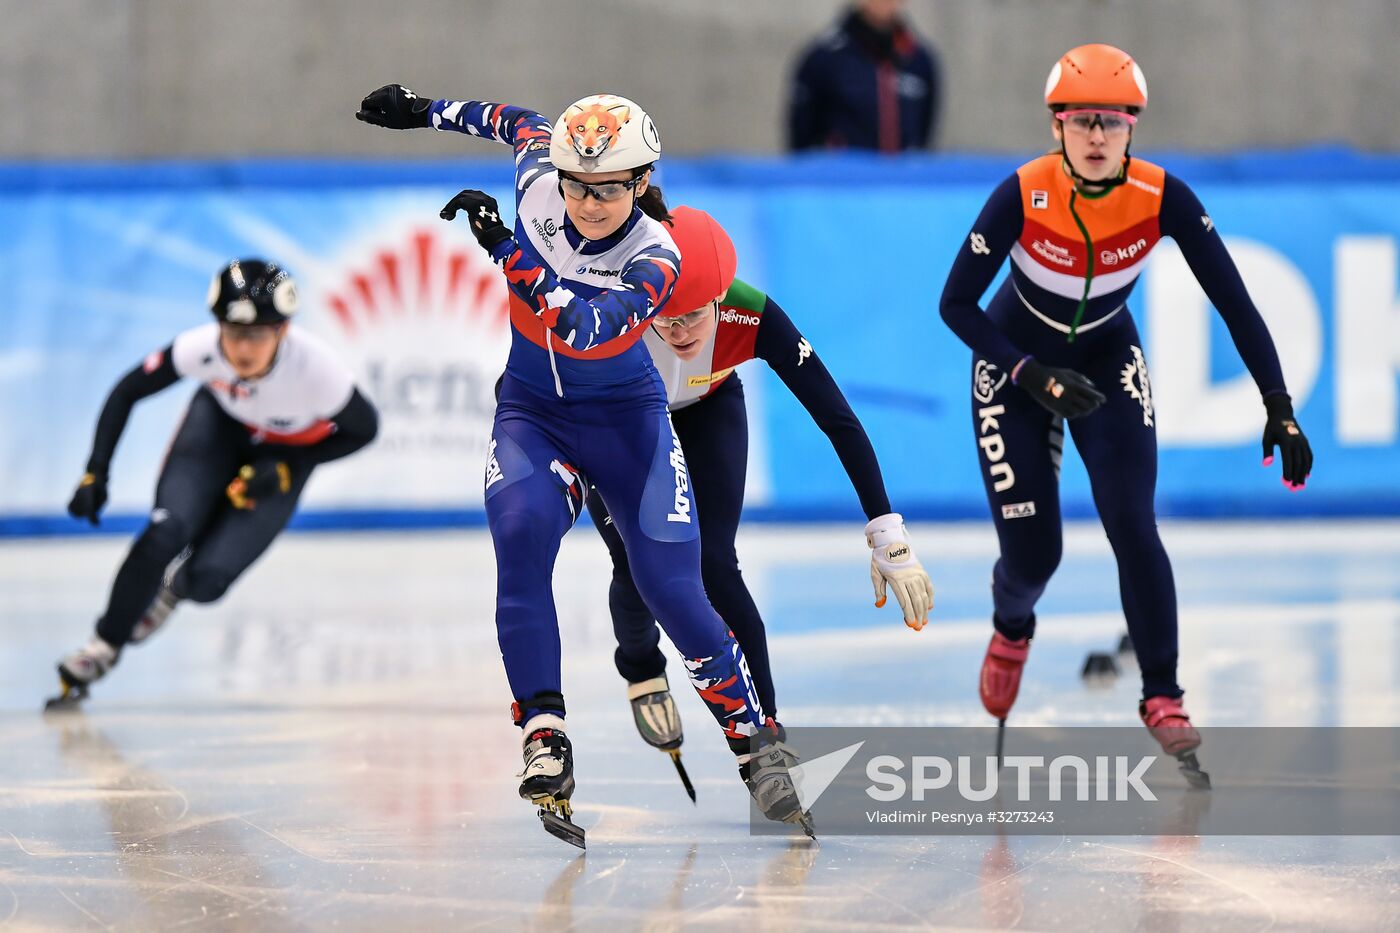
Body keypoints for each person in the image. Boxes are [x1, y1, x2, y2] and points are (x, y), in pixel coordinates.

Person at [355, 84, 809, 844]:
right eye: (578, 185)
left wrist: (506, 250)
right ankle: (544, 733)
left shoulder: (655, 254)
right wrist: (420, 108)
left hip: (626, 423)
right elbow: (512, 122)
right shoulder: (540, 177)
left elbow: (588, 328)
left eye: (609, 188)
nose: (590, 203)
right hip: (534, 415)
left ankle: (752, 741)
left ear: (641, 185)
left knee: (671, 587)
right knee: (521, 533)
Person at [937, 44, 1313, 784]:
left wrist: (1280, 405)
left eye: (1112, 122)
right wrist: (1028, 372)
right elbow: (954, 304)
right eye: (1083, 123)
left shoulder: (1163, 195)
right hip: (1016, 365)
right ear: (1057, 128)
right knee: (1034, 555)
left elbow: (1234, 302)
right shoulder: (1021, 193)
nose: (1098, 137)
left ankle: (1163, 694)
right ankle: (1011, 625)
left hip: (1106, 357)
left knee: (1133, 524)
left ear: (1133, 128)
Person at [589, 206, 934, 771]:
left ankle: (766, 740)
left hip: (708, 406)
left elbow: (838, 419)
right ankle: (641, 666)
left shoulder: (752, 312)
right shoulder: (617, 311)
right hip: (625, 419)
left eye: (694, 318)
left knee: (716, 565)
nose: (680, 334)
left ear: (720, 298)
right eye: (665, 321)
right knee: (635, 560)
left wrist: (886, 532)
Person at [53, 259, 380, 707]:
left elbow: (365, 430)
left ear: (283, 332)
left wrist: (290, 465)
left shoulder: (317, 371)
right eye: (232, 333)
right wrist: (96, 470)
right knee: (165, 531)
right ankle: (103, 647)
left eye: (258, 336)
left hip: (286, 452)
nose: (242, 349)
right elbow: (127, 391)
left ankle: (172, 590)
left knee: (207, 581)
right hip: (218, 430)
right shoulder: (200, 348)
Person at [788, 0, 940, 152]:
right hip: (841, 173)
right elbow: (801, 138)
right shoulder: (824, 57)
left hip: (900, 175)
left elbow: (923, 134)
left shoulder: (920, 61)